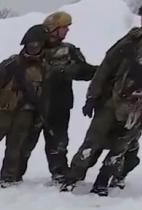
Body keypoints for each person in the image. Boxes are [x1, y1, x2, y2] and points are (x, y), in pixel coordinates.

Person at [61, 0, 142, 196]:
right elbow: (107, 66)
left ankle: (103, 180)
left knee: (121, 146)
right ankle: (74, 176)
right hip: (113, 99)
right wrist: (92, 96)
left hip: (141, 107)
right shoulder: (134, 38)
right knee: (93, 140)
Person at [18, 11, 99, 181]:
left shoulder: (69, 50)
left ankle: (60, 173)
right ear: (54, 29)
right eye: (64, 27)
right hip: (34, 104)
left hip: (59, 105)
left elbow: (85, 71)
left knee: (58, 143)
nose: (67, 30)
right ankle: (15, 173)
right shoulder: (36, 46)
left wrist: (68, 71)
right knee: (25, 141)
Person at [0, 25, 49, 188]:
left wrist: (39, 118)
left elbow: (46, 96)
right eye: (31, 43)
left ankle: (8, 178)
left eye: (38, 44)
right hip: (2, 113)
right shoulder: (10, 65)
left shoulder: (45, 68)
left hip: (26, 116)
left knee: (15, 150)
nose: (34, 47)